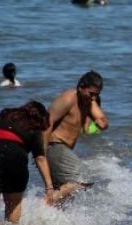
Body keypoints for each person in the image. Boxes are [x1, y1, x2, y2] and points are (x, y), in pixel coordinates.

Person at [0, 101, 56, 225]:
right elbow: (40, 158)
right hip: (14, 158)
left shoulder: (4, 114)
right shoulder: (34, 126)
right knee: (12, 203)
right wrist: (49, 187)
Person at [44, 71, 108, 201]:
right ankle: (44, 205)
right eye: (91, 94)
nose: (94, 98)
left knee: (63, 197)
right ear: (80, 87)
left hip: (63, 149)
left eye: (97, 95)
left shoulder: (88, 102)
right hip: (54, 146)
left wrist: (92, 102)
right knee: (85, 178)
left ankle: (41, 216)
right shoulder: (68, 98)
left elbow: (102, 124)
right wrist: (41, 151)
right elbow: (46, 122)